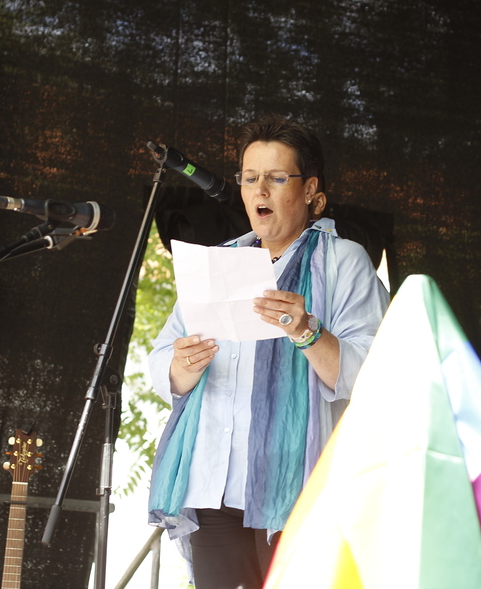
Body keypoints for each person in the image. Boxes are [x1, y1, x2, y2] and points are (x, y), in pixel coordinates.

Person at [147, 115, 389, 589]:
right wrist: (181, 366)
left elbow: (374, 376)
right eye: (250, 177)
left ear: (310, 190)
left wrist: (307, 332)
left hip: (294, 486)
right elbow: (162, 360)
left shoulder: (343, 261)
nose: (260, 190)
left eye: (277, 178)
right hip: (213, 482)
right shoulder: (219, 261)